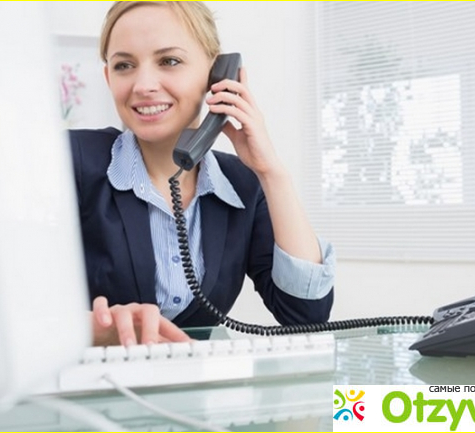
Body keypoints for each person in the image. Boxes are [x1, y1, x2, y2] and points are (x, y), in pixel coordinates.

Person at [69, 1, 335, 347]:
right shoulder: (68, 160)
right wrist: (89, 327)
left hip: (195, 380)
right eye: (124, 65)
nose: (143, 84)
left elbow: (306, 316)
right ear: (109, 78)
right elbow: (11, 302)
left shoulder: (242, 184)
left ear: (217, 75)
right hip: (91, 379)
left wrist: (272, 172)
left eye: (169, 61)